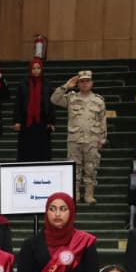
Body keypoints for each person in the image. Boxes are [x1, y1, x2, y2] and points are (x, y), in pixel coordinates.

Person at [51, 71, 107, 204]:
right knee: (73, 168)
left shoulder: (98, 100)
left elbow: (102, 120)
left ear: (92, 83)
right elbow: (54, 99)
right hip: (74, 139)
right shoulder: (71, 98)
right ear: (78, 83)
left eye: (87, 81)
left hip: (92, 139)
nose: (85, 83)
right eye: (82, 81)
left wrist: (102, 138)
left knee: (91, 168)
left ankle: (89, 194)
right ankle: (74, 194)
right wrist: (66, 86)